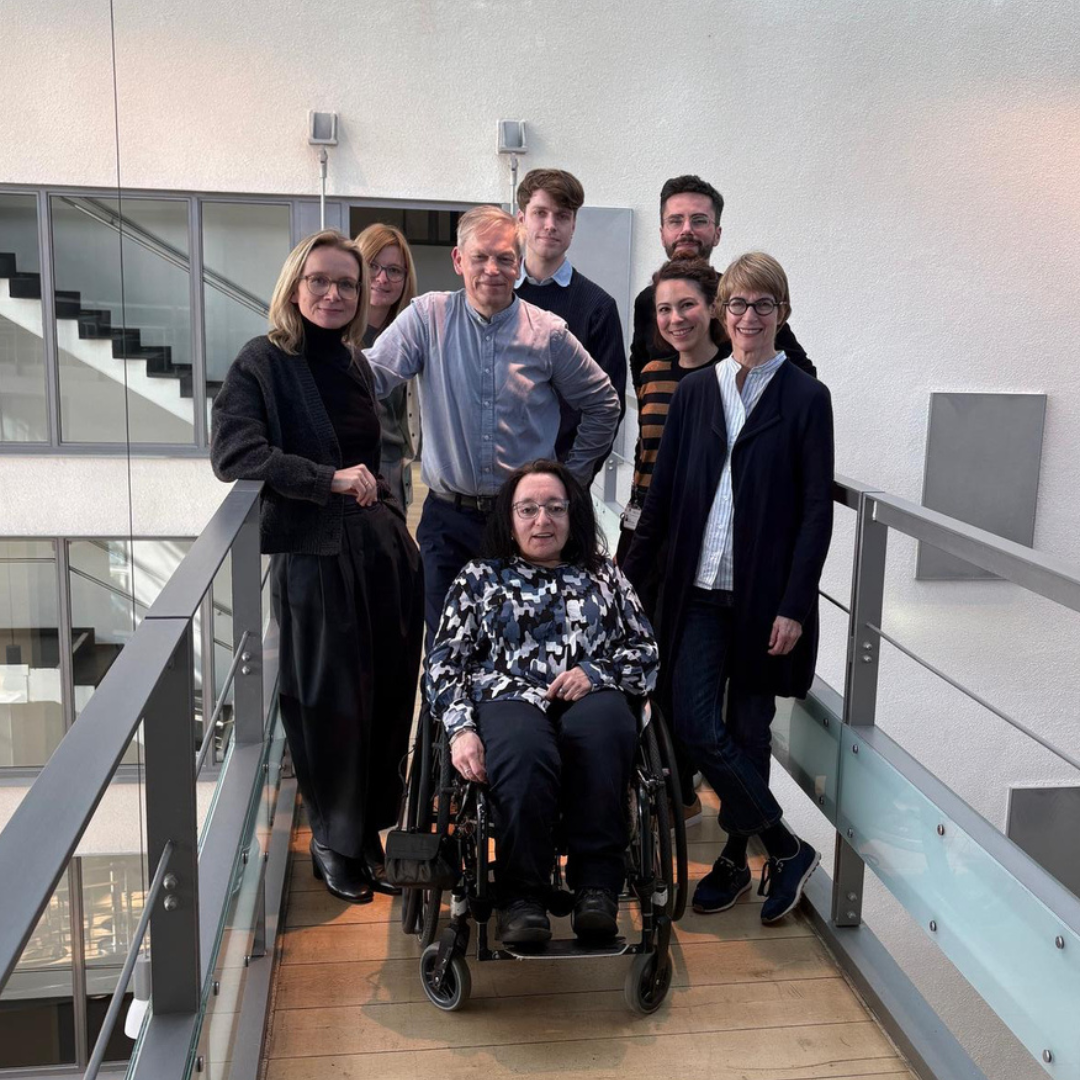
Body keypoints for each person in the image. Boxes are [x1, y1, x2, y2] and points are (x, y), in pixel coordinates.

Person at [211, 229, 424, 905]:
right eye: (320, 281)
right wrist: (327, 479)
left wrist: (387, 511)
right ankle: (332, 838)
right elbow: (235, 455)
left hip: (382, 557)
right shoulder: (263, 362)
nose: (333, 294)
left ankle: (369, 832)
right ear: (293, 286)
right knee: (332, 704)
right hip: (318, 561)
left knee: (390, 699)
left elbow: (382, 455)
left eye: (348, 284)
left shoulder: (358, 365)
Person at [623, 252, 833, 925]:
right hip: (700, 590)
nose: (748, 318)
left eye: (763, 306)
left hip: (764, 598)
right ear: (724, 314)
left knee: (748, 729)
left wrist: (796, 606)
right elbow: (658, 500)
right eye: (738, 306)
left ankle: (735, 862)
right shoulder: (694, 393)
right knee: (694, 722)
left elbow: (814, 513)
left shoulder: (806, 397)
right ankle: (785, 845)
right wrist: (622, 582)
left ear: (783, 314)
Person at [426, 460, 659, 945]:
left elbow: (645, 651)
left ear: (572, 516)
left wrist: (595, 672)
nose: (542, 521)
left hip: (590, 694)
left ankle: (597, 888)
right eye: (528, 509)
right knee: (523, 752)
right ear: (509, 520)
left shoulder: (604, 577)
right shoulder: (479, 580)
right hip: (507, 696)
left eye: (555, 508)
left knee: (603, 734)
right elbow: (444, 662)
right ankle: (522, 896)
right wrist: (461, 729)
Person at [365, 205, 620, 642]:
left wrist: (570, 481)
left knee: (519, 646)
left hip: (521, 525)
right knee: (446, 647)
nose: (493, 270)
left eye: (505, 258)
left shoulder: (548, 333)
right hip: (448, 522)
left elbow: (603, 403)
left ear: (519, 265)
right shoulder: (428, 318)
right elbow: (368, 378)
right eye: (480, 257)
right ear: (458, 260)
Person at [514, 169, 627, 469]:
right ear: (521, 218)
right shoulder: (496, 297)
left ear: (574, 225)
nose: (550, 225)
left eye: (562, 216)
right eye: (540, 213)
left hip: (559, 481)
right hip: (490, 482)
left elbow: (609, 408)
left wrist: (571, 480)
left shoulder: (598, 307)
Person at [355, 223, 420, 510]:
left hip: (394, 465)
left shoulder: (412, 335)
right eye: (373, 266)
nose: (382, 278)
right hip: (347, 468)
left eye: (394, 270)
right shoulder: (335, 332)